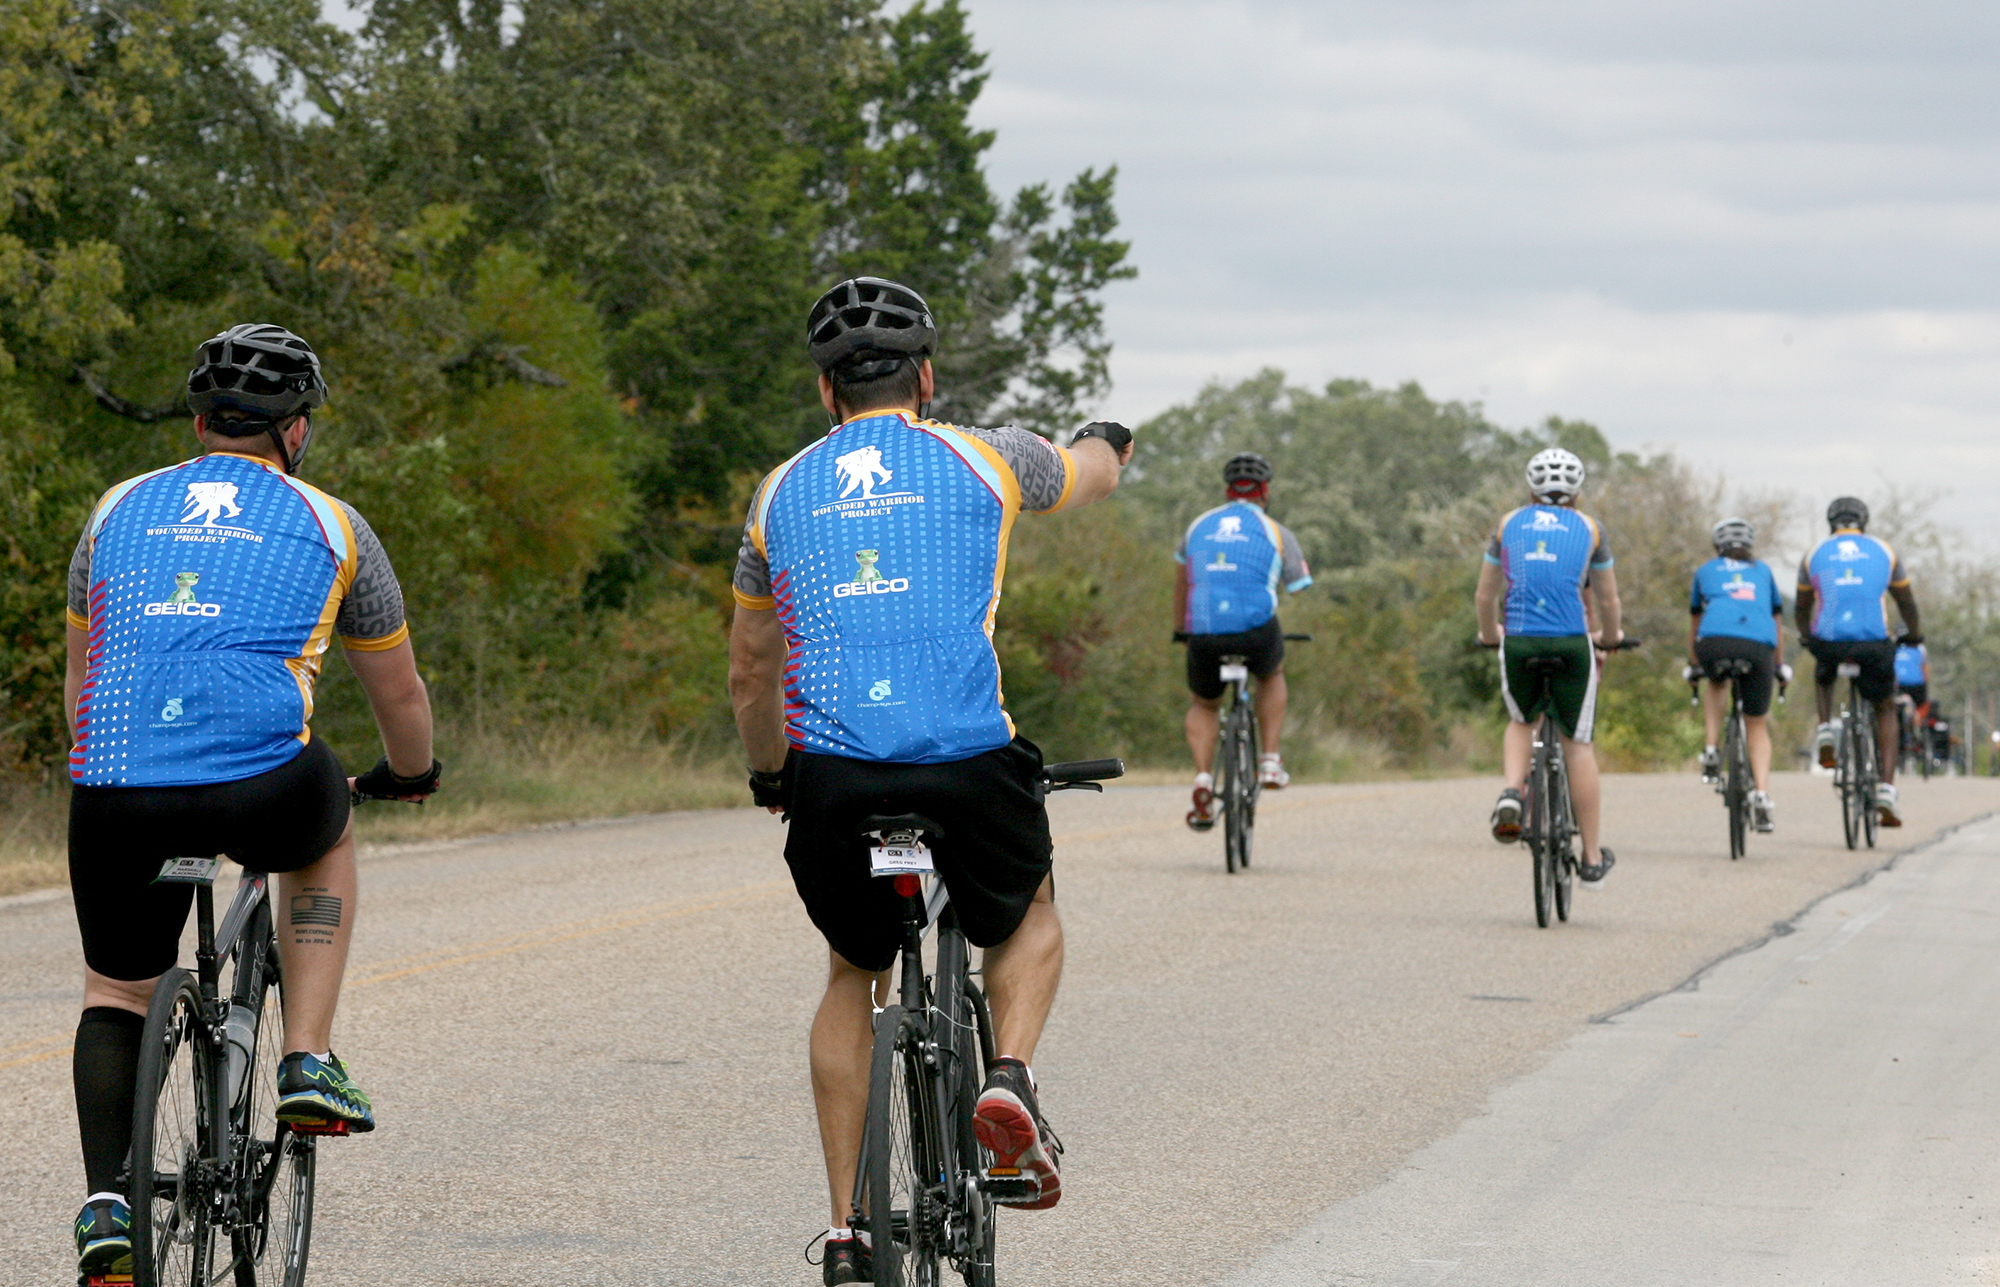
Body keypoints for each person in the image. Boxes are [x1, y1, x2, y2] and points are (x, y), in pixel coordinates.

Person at [726, 277, 1132, 1285]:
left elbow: (749, 661)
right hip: (965, 764)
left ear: (827, 394)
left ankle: (848, 1228)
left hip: (831, 777)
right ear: (927, 376)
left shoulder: (777, 493)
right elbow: (1085, 472)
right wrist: (1107, 446)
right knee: (1028, 910)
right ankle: (1007, 1080)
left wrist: (770, 774)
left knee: (847, 973)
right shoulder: (987, 455)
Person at [63, 324, 441, 1280]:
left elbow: (84, 681)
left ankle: (109, 1207)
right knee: (330, 825)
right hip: (261, 784)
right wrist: (411, 772)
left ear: (198, 425)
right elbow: (397, 696)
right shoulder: (333, 522)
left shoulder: (114, 511)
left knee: (116, 988)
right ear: (298, 431)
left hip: (115, 785)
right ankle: (306, 1059)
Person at [1474, 447, 1625, 884]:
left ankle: (1510, 792)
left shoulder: (1507, 525)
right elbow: (1609, 599)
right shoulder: (1591, 529)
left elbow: (1485, 597)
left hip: (1518, 639)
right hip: (1571, 642)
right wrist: (1611, 637)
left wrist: (1488, 635)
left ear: (1530, 490)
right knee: (1577, 745)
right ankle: (1592, 855)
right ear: (1577, 493)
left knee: (1522, 720)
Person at [1175, 451, 1314, 829]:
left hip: (1203, 631)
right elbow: (1298, 587)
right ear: (1265, 492)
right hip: (1256, 631)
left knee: (1204, 703)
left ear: (1226, 491)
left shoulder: (1197, 527)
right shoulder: (1277, 531)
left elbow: (1182, 585)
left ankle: (1203, 777)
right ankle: (1269, 761)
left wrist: (1182, 631)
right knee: (1272, 674)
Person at [1795, 496, 1919, 826]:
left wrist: (1806, 636)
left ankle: (1824, 730)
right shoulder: (1885, 551)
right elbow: (1906, 601)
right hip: (1873, 644)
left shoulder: (1814, 553)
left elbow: (1801, 606)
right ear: (1863, 522)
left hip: (1830, 644)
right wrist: (1915, 634)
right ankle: (1887, 789)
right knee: (1884, 707)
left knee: (1824, 673)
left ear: (1830, 523)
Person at [1686, 517, 1790, 832]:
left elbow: (1695, 621)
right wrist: (1779, 665)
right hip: (1759, 646)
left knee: (1716, 682)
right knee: (1756, 723)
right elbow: (1776, 623)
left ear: (1718, 547)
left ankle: (1711, 748)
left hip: (1713, 643)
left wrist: (1695, 664)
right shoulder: (1763, 572)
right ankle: (1761, 793)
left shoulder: (1705, 571)